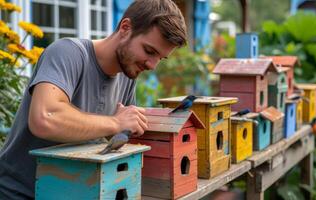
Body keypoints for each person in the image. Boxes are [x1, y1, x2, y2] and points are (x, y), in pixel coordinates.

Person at [0, 0, 187, 199]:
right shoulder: (68, 53)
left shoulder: (128, 76)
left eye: (161, 58)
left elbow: (114, 141)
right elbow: (45, 119)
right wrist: (116, 122)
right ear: (125, 28)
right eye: (149, 51)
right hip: (19, 194)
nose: (152, 65)